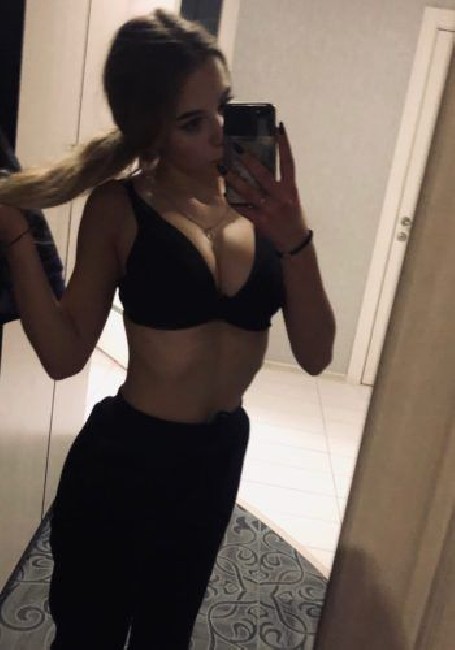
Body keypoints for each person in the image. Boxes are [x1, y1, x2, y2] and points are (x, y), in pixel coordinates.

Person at [0, 8, 335, 649]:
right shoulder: (119, 208)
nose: (220, 134)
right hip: (126, 460)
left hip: (216, 457)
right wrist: (17, 235)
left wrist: (296, 238)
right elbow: (64, 356)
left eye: (223, 107)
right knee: (89, 634)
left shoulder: (267, 211)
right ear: (152, 132)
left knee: (167, 632)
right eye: (191, 122)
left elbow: (317, 354)